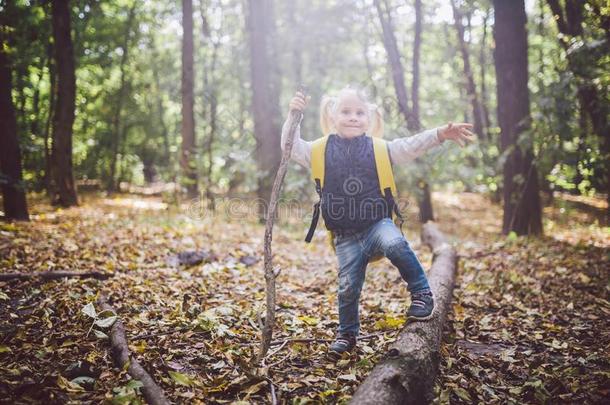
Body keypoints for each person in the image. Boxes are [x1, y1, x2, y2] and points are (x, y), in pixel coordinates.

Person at [280, 86, 475, 354]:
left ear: (369, 119)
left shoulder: (380, 149)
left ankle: (421, 293)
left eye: (360, 112)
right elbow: (290, 147)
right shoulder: (319, 150)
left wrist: (439, 134)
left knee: (395, 243)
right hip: (345, 235)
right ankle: (347, 334)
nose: (353, 117)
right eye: (346, 112)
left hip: (377, 225)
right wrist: (294, 116)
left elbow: (410, 145)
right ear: (332, 116)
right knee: (348, 288)